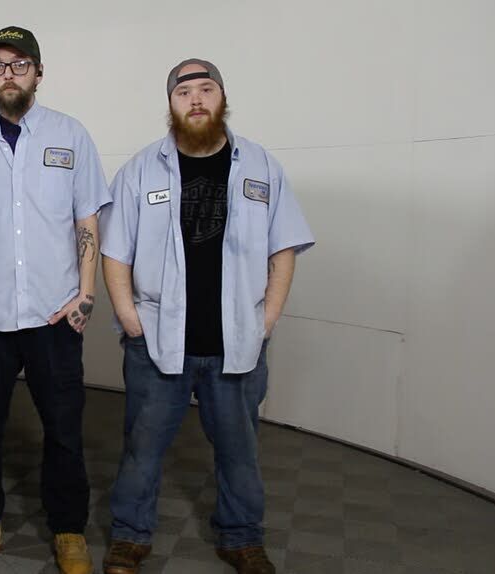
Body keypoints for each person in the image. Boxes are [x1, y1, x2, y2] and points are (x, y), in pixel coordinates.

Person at [99, 59, 315, 574]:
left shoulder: (261, 167)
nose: (195, 99)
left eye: (206, 89)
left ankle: (241, 537)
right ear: (170, 103)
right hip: (156, 342)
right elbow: (115, 252)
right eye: (184, 92)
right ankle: (130, 535)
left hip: (236, 343)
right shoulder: (140, 170)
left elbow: (283, 248)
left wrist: (267, 320)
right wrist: (129, 318)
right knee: (142, 449)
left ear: (222, 97)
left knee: (240, 452)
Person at [0, 26, 110, 574]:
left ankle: (69, 531)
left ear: (38, 72)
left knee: (64, 430)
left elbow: (87, 219)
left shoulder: (70, 135)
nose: (8, 74)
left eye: (19, 64)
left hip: (55, 314)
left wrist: (85, 295)